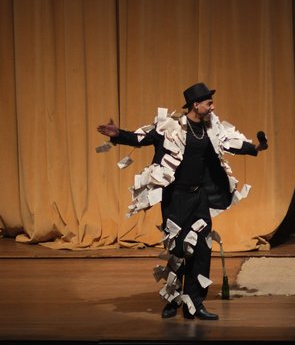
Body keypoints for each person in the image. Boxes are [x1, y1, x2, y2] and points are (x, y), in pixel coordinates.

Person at [97, 82, 267, 320]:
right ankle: (172, 300)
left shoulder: (209, 128)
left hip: (199, 197)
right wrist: (118, 135)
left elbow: (229, 143)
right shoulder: (170, 127)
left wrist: (255, 148)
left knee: (202, 249)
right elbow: (141, 138)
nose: (212, 107)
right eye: (209, 103)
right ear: (195, 105)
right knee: (177, 249)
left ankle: (194, 303)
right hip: (176, 197)